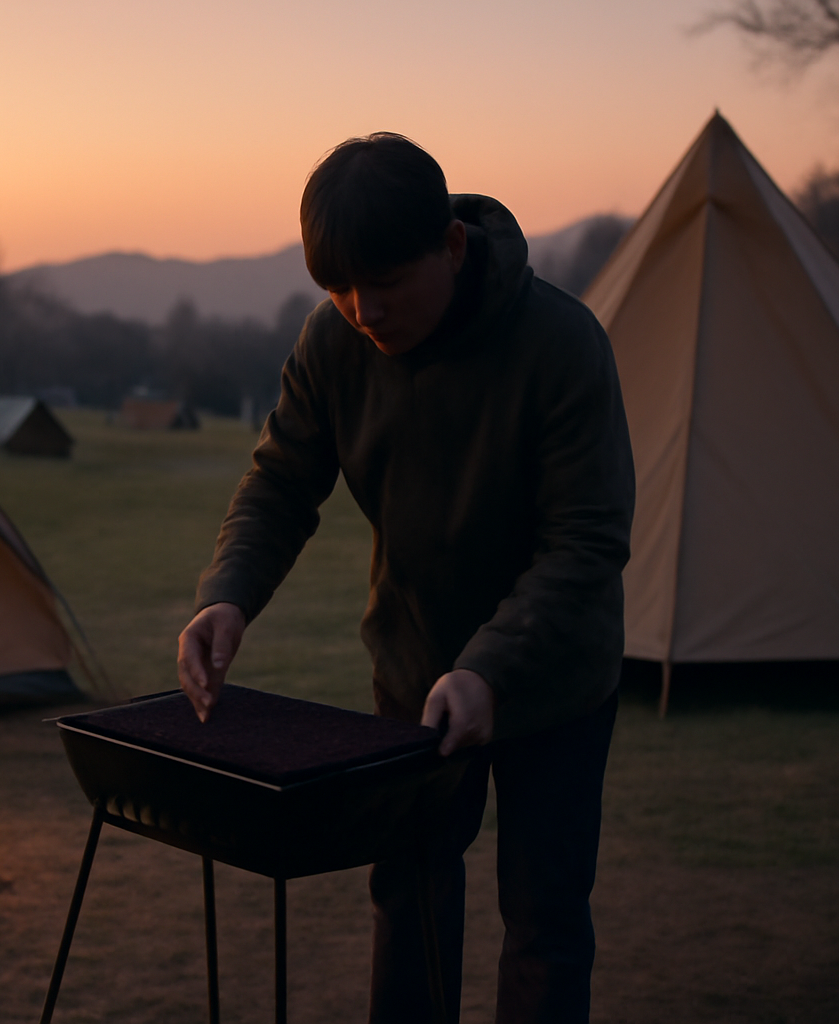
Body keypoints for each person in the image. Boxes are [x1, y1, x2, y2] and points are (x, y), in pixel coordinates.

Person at [175, 132, 634, 1023]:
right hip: (414, 668)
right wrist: (226, 591)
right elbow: (280, 479)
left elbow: (584, 542)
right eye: (339, 288)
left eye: (384, 282)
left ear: (453, 249)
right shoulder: (332, 342)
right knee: (411, 894)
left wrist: (490, 670)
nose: (362, 308)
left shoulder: (563, 345)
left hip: (554, 679)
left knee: (544, 922)